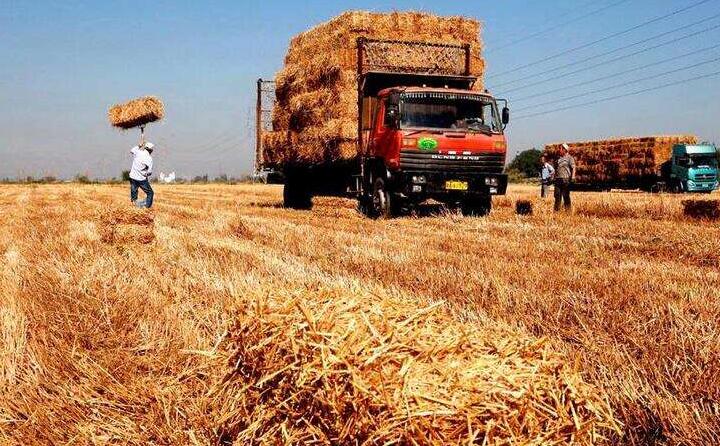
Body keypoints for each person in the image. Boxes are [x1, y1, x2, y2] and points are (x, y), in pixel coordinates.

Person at [129, 142, 154, 208]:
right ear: (151, 150)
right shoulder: (149, 158)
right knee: (150, 193)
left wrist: (139, 145)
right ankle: (147, 208)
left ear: (145, 148)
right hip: (141, 179)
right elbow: (149, 171)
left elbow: (131, 150)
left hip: (132, 177)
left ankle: (134, 205)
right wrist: (146, 174)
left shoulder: (138, 152)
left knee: (134, 191)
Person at [554, 143, 575, 211]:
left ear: (565, 150)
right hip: (558, 179)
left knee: (566, 196)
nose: (559, 150)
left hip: (565, 179)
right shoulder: (558, 158)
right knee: (557, 196)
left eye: (560, 149)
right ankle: (556, 211)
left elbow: (573, 168)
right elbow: (556, 168)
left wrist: (573, 177)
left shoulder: (570, 158)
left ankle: (568, 210)